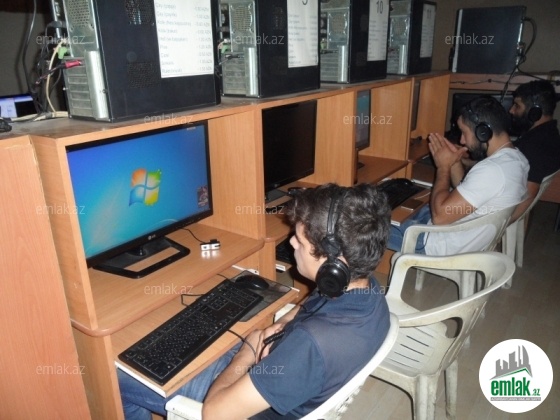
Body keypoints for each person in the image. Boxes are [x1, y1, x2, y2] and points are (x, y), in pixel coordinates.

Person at [118, 183, 391, 419]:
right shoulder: (364, 290)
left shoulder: (309, 346)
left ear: (332, 264)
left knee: (120, 375)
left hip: (242, 407)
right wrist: (279, 326)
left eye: (299, 240)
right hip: (285, 377)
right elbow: (306, 309)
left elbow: (214, 414)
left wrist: (250, 347)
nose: (291, 244)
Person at [387, 95, 529, 255]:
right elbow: (465, 190)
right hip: (455, 231)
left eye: (464, 132)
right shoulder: (517, 160)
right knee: (392, 208)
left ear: (482, 132)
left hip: (433, 242)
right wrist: (454, 161)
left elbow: (440, 218)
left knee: (366, 226)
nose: (462, 140)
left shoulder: (492, 171)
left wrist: (443, 167)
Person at [509, 80, 560, 222]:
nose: (511, 110)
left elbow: (528, 195)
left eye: (517, 106)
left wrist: (502, 225)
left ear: (535, 112)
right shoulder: (548, 134)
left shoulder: (536, 147)